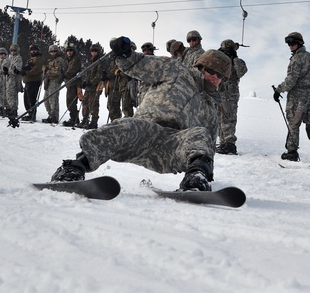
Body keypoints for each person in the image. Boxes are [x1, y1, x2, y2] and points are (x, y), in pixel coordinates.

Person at [50, 37, 232, 193]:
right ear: (200, 66)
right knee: (126, 126)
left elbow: (207, 146)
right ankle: (74, 168)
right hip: (143, 133)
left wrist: (208, 171)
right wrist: (124, 53)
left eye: (220, 76)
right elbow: (140, 65)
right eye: (211, 71)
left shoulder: (210, 107)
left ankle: (196, 179)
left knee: (200, 133)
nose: (214, 77)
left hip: (172, 147)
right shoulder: (176, 70)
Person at [273, 32, 310, 162]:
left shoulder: (297, 59)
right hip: (309, 96)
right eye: (289, 44)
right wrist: (308, 90)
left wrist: (279, 89)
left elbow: (291, 79)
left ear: (299, 43)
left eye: (293, 43)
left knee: (294, 122)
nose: (290, 46)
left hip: (297, 97)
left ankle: (292, 151)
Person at [215, 39, 248, 155]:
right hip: (219, 91)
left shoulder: (237, 62)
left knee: (229, 116)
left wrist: (235, 59)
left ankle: (230, 144)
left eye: (227, 51)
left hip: (230, 91)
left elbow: (241, 72)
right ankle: (224, 142)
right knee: (220, 117)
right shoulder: (219, 61)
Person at [78, 43, 105, 129]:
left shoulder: (100, 61)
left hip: (96, 86)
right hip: (89, 86)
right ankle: (85, 119)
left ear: (98, 52)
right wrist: (85, 81)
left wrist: (91, 82)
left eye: (95, 51)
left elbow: (99, 75)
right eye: (92, 51)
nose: (93, 52)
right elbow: (88, 73)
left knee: (93, 104)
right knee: (85, 102)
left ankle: (94, 121)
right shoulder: (90, 61)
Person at [41, 44, 67, 124]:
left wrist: (47, 71)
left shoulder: (59, 60)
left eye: (54, 51)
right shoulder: (50, 60)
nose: (53, 53)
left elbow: (57, 72)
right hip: (48, 81)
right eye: (51, 52)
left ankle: (54, 116)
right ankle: (50, 115)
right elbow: (45, 69)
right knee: (46, 99)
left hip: (55, 81)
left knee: (53, 99)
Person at [21, 44, 45, 121]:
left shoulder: (39, 59)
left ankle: (32, 114)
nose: (33, 51)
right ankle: (29, 113)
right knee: (26, 98)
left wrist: (27, 73)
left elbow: (37, 69)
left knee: (31, 98)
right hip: (28, 81)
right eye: (32, 50)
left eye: (35, 50)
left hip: (34, 81)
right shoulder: (31, 59)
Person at [62, 44, 82, 127]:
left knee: (72, 101)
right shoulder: (67, 60)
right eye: (68, 51)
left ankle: (74, 118)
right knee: (69, 101)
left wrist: (64, 75)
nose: (69, 52)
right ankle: (74, 118)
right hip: (69, 83)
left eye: (71, 51)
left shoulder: (75, 59)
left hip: (74, 83)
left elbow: (72, 70)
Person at [0, 44, 23, 117]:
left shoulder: (18, 58)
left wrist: (8, 71)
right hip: (9, 78)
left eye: (14, 50)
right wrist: (6, 70)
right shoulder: (11, 58)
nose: (12, 52)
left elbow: (16, 69)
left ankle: (13, 109)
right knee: (8, 94)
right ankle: (9, 108)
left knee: (11, 94)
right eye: (11, 50)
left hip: (14, 78)